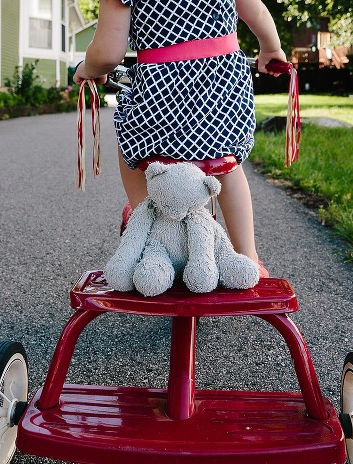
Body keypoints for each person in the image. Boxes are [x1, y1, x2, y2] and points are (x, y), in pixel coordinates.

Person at [73, 0, 287, 275]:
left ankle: (151, 227)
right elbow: (254, 11)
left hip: (161, 93)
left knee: (136, 148)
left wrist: (90, 69)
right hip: (223, 86)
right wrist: (271, 48)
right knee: (226, 163)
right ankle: (249, 257)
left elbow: (107, 53)